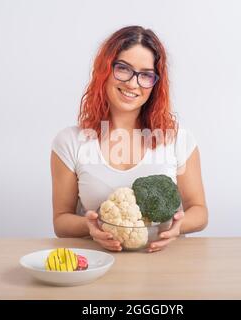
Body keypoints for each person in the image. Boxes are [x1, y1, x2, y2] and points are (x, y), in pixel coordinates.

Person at [50, 25, 208, 253]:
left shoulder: (176, 138)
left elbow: (200, 211)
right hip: (99, 264)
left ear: (155, 83)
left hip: (165, 266)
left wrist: (178, 226)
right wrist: (90, 226)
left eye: (146, 75)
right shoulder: (70, 142)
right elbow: (61, 221)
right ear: (105, 70)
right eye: (123, 69)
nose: (133, 83)